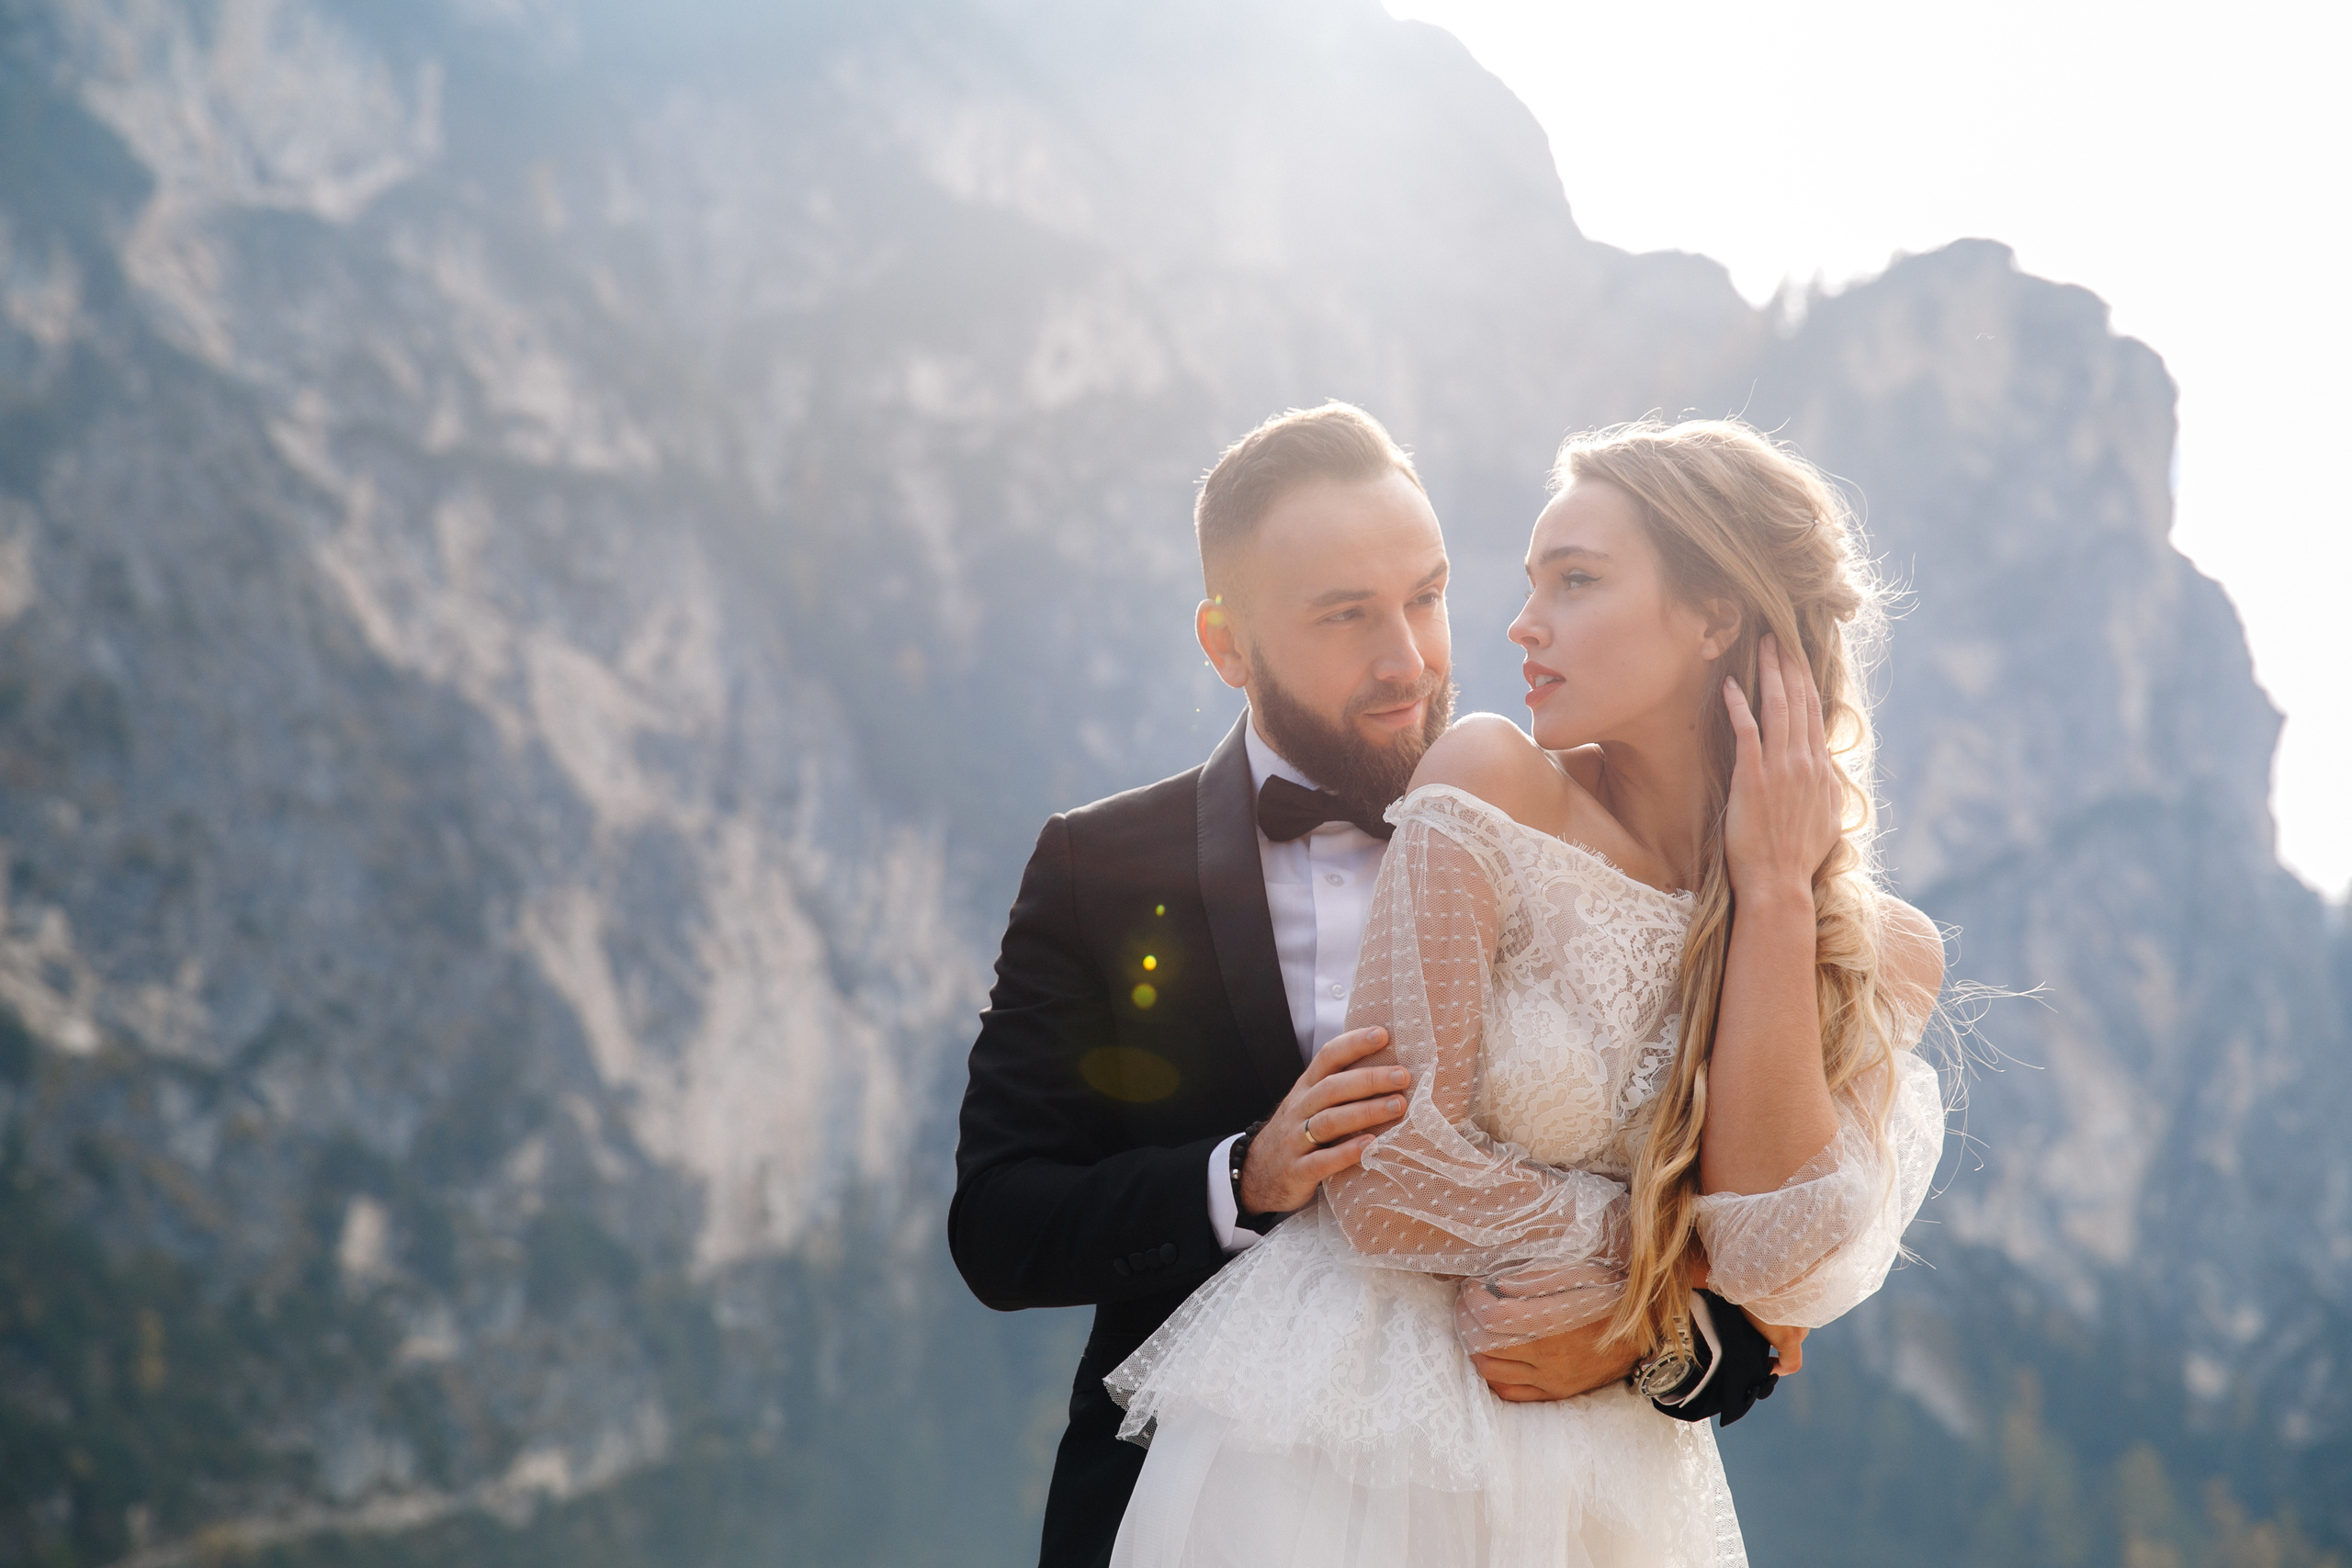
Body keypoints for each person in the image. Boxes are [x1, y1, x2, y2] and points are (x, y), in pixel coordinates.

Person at [1106, 419, 1950, 1567]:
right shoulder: (1491, 777)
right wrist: (1651, 1280)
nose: (1520, 625)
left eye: (1577, 581)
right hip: (1352, 1443)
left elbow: (1774, 1267)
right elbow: (1386, 1174)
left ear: (1714, 616)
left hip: (1611, 1485)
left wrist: (1771, 896)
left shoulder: (1877, 953)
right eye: (1528, 582)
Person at [952, 404, 1644, 1568]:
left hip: (1530, 1513)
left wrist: (1647, 1339)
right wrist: (1246, 1175)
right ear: (1225, 644)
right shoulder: (1097, 869)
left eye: (1425, 597)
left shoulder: (1586, 832)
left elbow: (1736, 1216)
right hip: (1187, 1511)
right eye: (1345, 617)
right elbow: (999, 1226)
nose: (1409, 661)